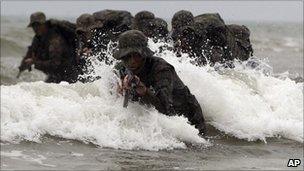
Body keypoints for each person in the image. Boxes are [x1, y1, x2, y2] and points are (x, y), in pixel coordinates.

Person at [114, 30, 206, 135]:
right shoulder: (121, 68)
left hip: (188, 122)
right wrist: (119, 91)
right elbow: (117, 104)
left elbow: (165, 107)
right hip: (156, 122)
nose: (132, 61)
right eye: (127, 56)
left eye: (136, 55)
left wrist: (144, 91)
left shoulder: (161, 69)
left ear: (144, 54)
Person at [19, 12, 79, 83]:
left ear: (44, 24)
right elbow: (31, 52)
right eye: (33, 25)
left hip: (68, 75)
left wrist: (35, 62)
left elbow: (55, 65)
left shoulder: (55, 40)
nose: (36, 28)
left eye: (38, 25)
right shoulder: (38, 38)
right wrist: (23, 65)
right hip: (56, 75)